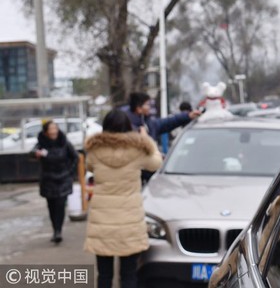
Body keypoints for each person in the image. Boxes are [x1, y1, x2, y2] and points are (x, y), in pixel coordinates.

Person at [84, 110, 163, 288]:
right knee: (128, 275)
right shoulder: (137, 149)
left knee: (104, 274)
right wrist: (146, 138)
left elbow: (89, 166)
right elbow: (156, 163)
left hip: (102, 221)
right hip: (129, 221)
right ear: (128, 127)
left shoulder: (95, 150)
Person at [30, 120, 78, 244]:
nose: (53, 131)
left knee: (60, 205)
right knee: (51, 206)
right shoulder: (41, 143)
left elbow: (75, 157)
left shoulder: (64, 142)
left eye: (55, 128)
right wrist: (36, 154)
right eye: (50, 129)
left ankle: (58, 231)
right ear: (46, 132)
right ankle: (55, 228)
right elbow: (31, 153)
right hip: (48, 179)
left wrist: (70, 173)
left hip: (63, 178)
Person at [124, 92, 201, 143]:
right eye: (147, 104)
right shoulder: (126, 128)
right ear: (139, 108)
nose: (150, 107)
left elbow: (168, 122)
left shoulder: (148, 123)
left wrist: (188, 115)